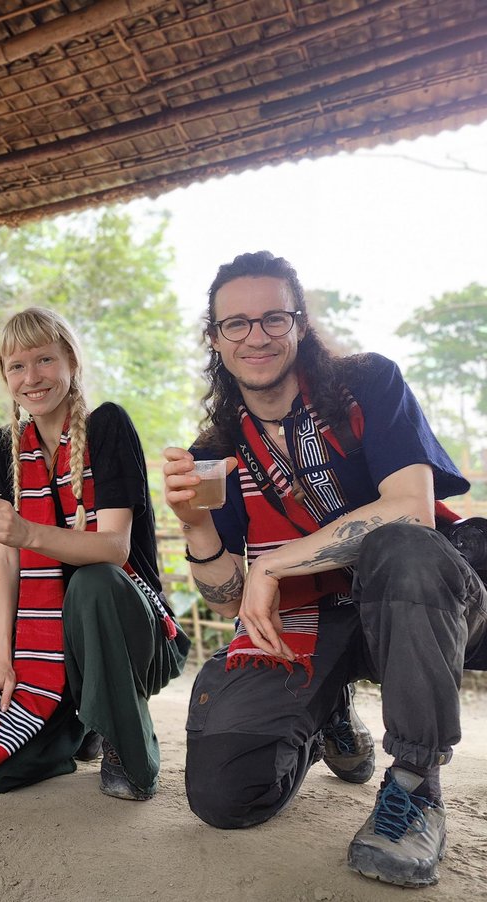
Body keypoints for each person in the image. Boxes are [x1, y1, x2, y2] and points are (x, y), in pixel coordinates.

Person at [162, 251, 487, 888]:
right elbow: (228, 598)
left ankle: (415, 783)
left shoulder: (365, 384)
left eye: (273, 318)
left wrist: (275, 563)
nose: (256, 335)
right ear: (215, 338)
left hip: (426, 601)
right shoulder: (216, 451)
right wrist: (194, 524)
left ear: (301, 324)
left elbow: (411, 513)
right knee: (225, 795)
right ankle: (324, 711)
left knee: (402, 549)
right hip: (313, 621)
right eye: (237, 323)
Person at [0, 307, 189, 797]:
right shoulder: (6, 447)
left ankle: (128, 752)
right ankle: (77, 723)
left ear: (70, 361)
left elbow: (112, 547)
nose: (31, 377)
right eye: (16, 366)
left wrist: (26, 533)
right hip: (46, 645)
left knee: (94, 580)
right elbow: (2, 559)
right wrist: (0, 663)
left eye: (44, 359)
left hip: (132, 633)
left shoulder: (107, 425)